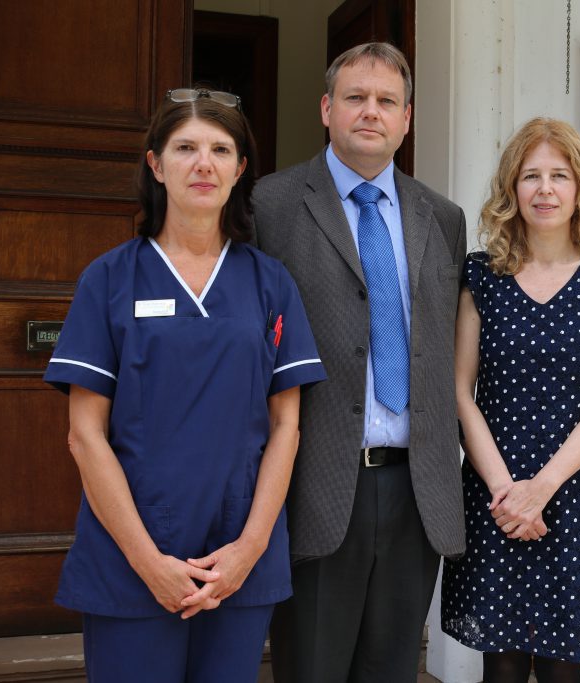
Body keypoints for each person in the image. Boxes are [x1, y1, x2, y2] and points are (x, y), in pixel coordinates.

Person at [43, 87, 326, 682]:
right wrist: (150, 564)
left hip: (237, 559)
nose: (204, 164)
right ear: (155, 164)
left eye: (221, 149)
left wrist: (248, 549)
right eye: (185, 147)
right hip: (133, 556)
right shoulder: (110, 279)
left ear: (241, 168)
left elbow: (286, 426)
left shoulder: (269, 283)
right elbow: (84, 435)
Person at [252, 42, 467, 683]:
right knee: (312, 667)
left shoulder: (443, 217)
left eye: (386, 102)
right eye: (355, 98)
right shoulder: (271, 204)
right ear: (326, 108)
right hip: (315, 481)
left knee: (394, 668)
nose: (370, 112)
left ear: (406, 118)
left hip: (416, 487)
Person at [441, 117, 580, 683]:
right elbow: (461, 391)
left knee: (562, 671)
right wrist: (509, 494)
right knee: (500, 669)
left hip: (573, 499)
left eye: (559, 175)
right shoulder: (482, 275)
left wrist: (541, 491)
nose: (545, 189)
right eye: (531, 176)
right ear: (512, 189)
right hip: (495, 496)